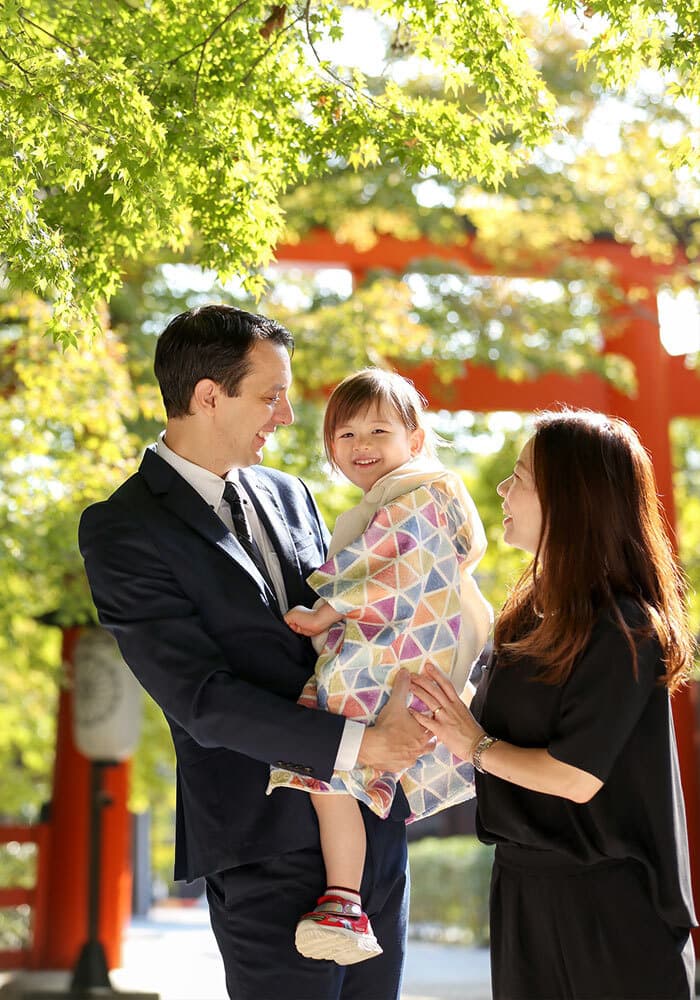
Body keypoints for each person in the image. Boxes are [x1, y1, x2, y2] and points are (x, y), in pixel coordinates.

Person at [78, 305, 434, 1000]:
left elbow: (356, 628)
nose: (289, 416)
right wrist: (365, 744)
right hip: (262, 841)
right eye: (271, 395)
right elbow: (202, 700)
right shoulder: (122, 529)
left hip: (371, 831)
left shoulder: (291, 493)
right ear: (209, 397)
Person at [411, 407, 697, 1000]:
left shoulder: (626, 627)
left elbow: (575, 775)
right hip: (520, 890)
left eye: (519, 476)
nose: (502, 489)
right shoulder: (526, 616)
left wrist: (474, 744)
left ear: (571, 498)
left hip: (607, 913)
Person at [268, 368, 492, 965]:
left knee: (323, 750)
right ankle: (344, 899)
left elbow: (385, 567)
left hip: (402, 652)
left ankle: (344, 898)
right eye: (344, 434)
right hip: (414, 650)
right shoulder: (415, 495)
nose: (361, 445)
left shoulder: (416, 498)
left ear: (415, 441)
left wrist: (324, 611)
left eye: (379, 430)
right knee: (338, 771)